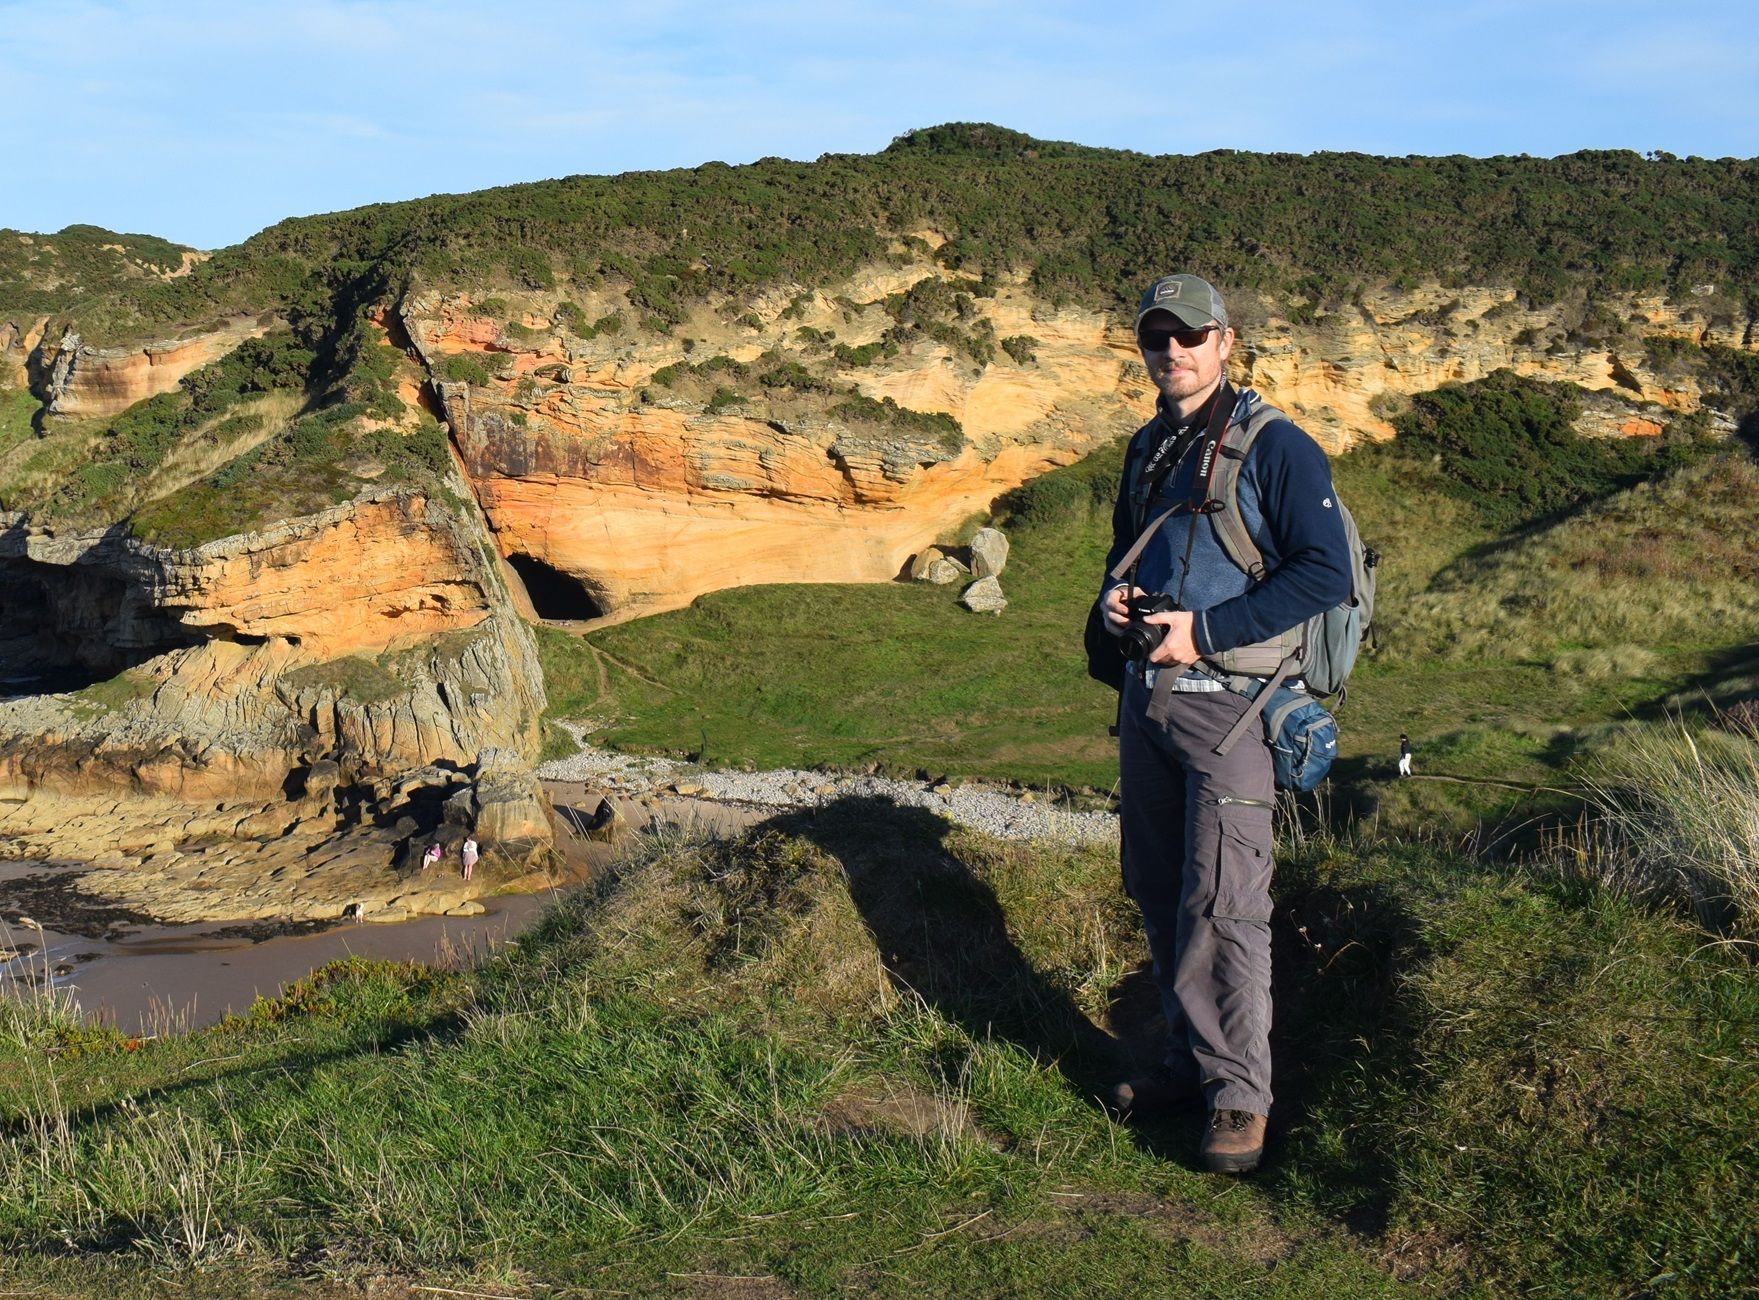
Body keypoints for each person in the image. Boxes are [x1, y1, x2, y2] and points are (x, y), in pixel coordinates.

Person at [1096, 273, 1352, 1174]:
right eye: (1155, 339)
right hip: (1149, 710)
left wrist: (1201, 632)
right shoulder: (1147, 447)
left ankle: (1240, 1100)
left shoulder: (1278, 447)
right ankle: (1186, 1063)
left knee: (1227, 906)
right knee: (1160, 890)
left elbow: (1325, 574)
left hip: (1235, 714)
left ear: (1224, 341)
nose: (1172, 352)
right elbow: (1121, 559)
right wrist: (1116, 612)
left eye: (1189, 336)